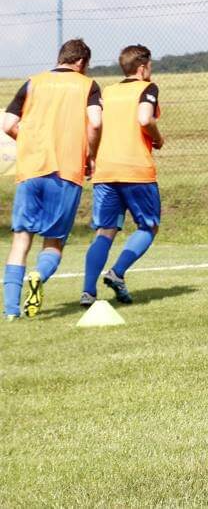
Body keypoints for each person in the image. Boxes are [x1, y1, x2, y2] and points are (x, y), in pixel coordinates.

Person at [1, 39, 102, 320]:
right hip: (66, 171)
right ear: (81, 62)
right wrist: (91, 156)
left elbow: (8, 124)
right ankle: (38, 274)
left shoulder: (33, 82)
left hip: (31, 169)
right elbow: (95, 122)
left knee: (21, 241)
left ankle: (11, 311)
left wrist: (31, 142)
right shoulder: (87, 86)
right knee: (53, 242)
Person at [81, 45, 164, 306]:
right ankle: (117, 272)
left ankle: (88, 291)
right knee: (148, 226)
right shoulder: (147, 88)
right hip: (136, 170)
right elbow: (144, 119)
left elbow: (96, 124)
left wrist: (93, 157)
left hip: (106, 170)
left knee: (105, 231)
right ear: (142, 68)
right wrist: (158, 138)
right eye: (149, 66)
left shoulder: (108, 91)